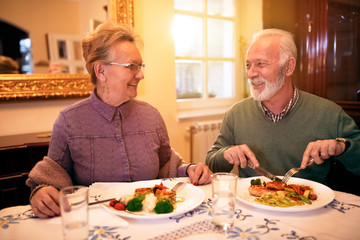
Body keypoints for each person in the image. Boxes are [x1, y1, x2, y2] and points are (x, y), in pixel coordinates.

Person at [27, 21, 212, 218]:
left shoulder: (151, 116)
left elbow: (166, 166)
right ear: (101, 71)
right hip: (98, 226)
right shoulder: (69, 121)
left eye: (140, 66)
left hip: (150, 223)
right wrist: (41, 192)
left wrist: (191, 169)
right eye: (131, 66)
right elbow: (52, 177)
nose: (141, 74)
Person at [206, 28, 360, 187]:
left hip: (312, 208)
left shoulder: (330, 114)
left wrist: (341, 147)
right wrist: (226, 154)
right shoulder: (236, 114)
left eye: (260, 64)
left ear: (288, 67)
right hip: (252, 208)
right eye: (248, 65)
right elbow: (211, 165)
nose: (250, 73)